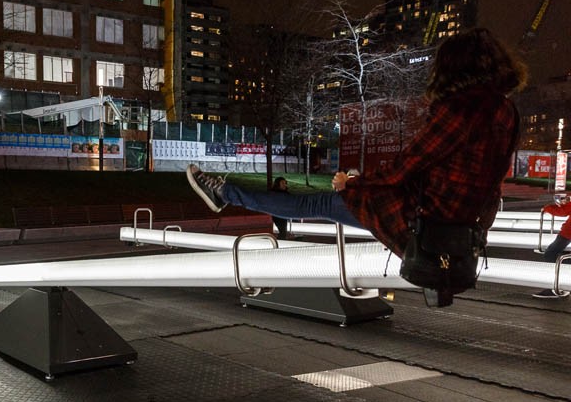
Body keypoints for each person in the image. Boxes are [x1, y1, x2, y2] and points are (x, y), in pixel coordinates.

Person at [187, 28, 526, 301]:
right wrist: (478, 229)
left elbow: (405, 166)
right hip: (457, 225)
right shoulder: (507, 112)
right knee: (322, 199)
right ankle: (227, 193)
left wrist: (353, 185)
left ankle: (226, 194)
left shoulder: (460, 110)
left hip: (421, 216)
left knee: (314, 201)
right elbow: (493, 183)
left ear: (453, 68)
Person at [532, 196, 571, 299]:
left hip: (568, 233)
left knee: (550, 254)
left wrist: (547, 208)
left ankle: (553, 288)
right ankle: (562, 284)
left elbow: (563, 211)